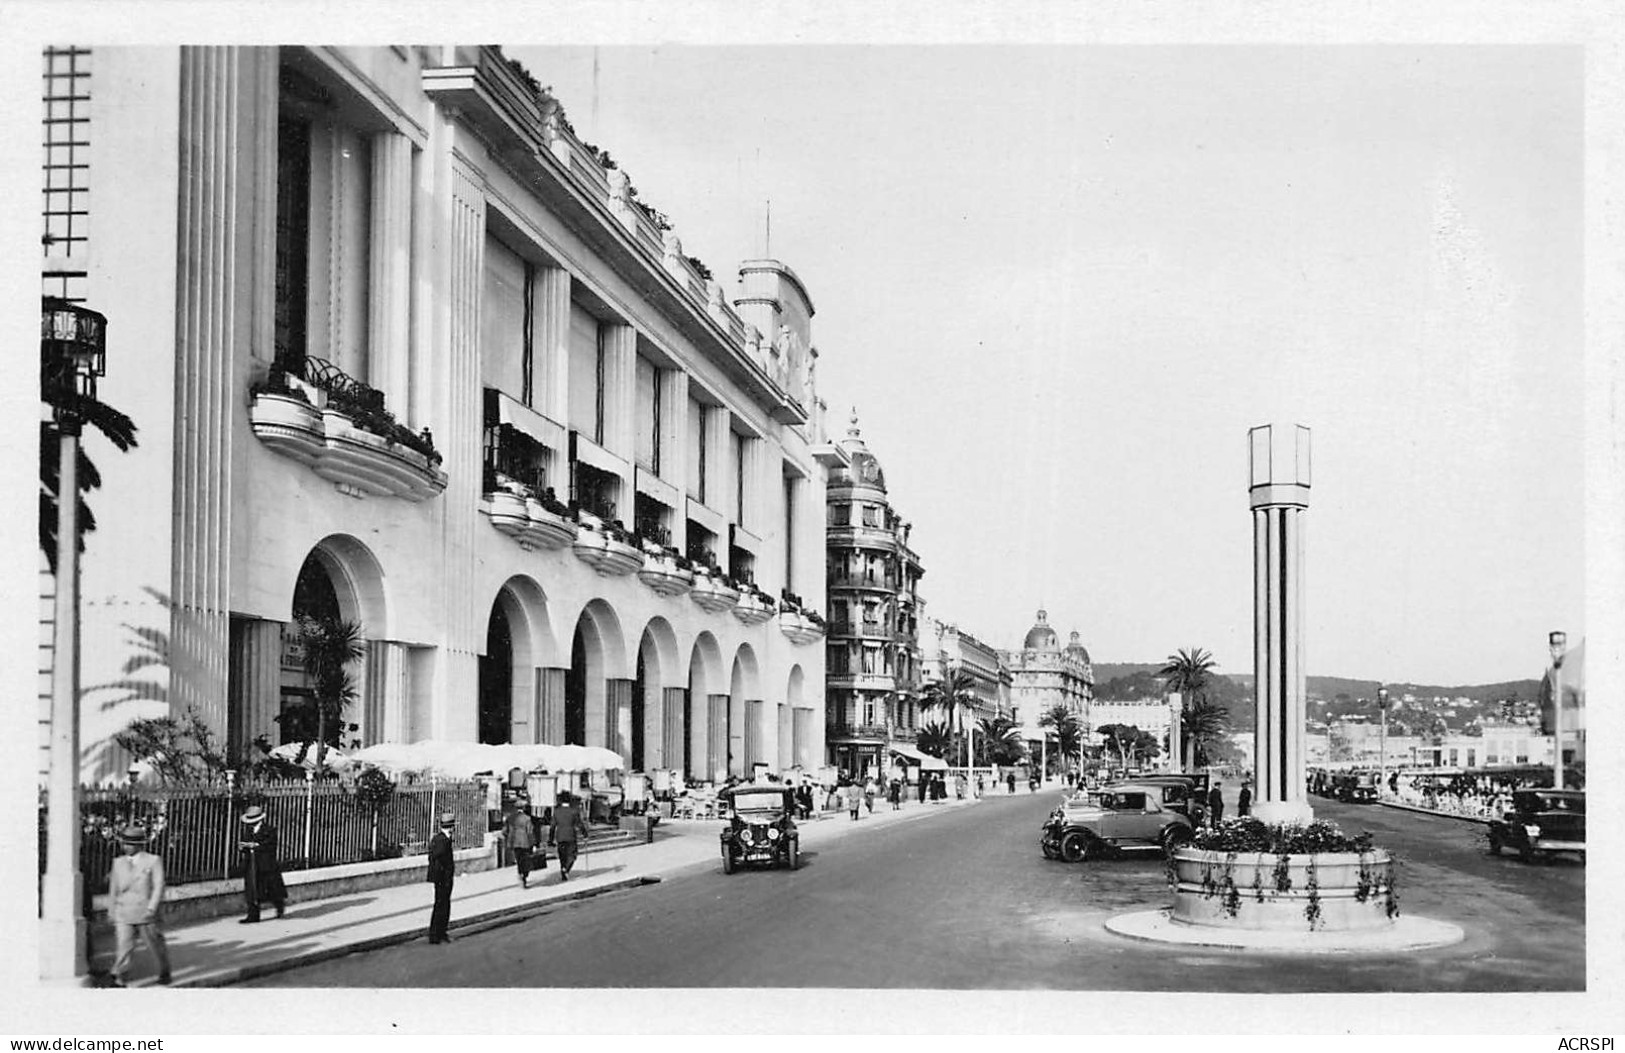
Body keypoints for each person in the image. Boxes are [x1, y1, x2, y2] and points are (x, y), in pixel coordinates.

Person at [107, 824, 171, 987]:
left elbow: (158, 885)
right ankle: (119, 977)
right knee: (124, 945)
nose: (126, 847)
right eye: (124, 843)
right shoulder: (118, 863)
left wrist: (152, 908)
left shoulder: (153, 860)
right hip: (124, 911)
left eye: (130, 843)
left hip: (145, 911)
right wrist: (111, 910)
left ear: (139, 844)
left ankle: (164, 971)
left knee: (155, 944)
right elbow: (113, 888)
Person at [237, 805, 286, 923]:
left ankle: (279, 905)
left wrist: (257, 846)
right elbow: (245, 844)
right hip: (252, 864)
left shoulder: (269, 830)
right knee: (252, 890)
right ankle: (253, 915)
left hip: (265, 864)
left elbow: (271, 845)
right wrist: (243, 847)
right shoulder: (248, 831)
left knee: (270, 889)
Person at [426, 810, 456, 944]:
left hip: (442, 877)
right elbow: (439, 858)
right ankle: (437, 934)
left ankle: (440, 933)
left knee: (442, 904)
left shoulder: (438, 838)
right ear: (452, 826)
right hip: (442, 878)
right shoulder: (442, 840)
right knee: (441, 905)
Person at [551, 791, 589, 880]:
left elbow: (552, 826)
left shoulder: (557, 812)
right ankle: (566, 869)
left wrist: (550, 839)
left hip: (560, 835)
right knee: (572, 854)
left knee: (562, 855)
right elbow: (579, 824)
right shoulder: (573, 811)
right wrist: (585, 834)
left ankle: (563, 870)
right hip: (570, 835)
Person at [503, 803, 537, 888]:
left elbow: (504, 831)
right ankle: (524, 875)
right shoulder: (527, 818)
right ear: (524, 808)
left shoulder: (510, 818)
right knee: (526, 860)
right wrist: (534, 843)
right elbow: (530, 832)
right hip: (525, 842)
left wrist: (508, 837)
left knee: (519, 859)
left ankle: (520, 873)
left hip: (514, 842)